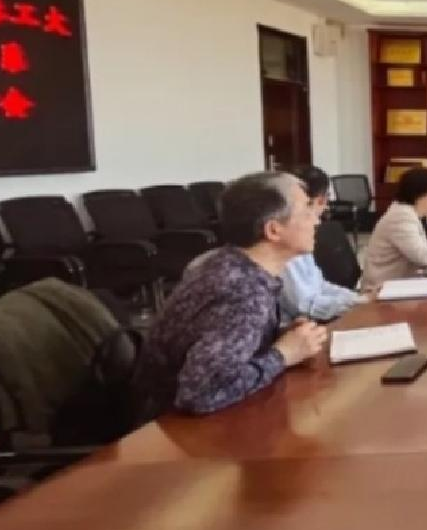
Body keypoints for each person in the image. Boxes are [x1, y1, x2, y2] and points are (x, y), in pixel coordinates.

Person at [130, 172, 329, 420]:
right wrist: (283, 355)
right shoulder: (241, 290)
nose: (316, 220)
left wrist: (282, 339)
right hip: (166, 427)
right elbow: (201, 393)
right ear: (273, 230)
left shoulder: (232, 264)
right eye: (306, 211)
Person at [278, 166, 361, 323]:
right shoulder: (286, 242)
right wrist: (356, 303)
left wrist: (359, 299)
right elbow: (304, 306)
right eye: (305, 209)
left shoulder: (302, 239)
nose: (317, 222)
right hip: (303, 325)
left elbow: (319, 285)